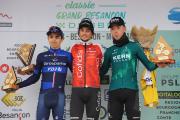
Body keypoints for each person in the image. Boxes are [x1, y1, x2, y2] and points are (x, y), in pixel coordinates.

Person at [100, 17, 166, 120]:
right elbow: (101, 73)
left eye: (118, 28)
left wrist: (160, 62)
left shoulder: (135, 46)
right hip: (114, 93)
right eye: (112, 29)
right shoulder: (109, 51)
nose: (115, 31)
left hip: (132, 92)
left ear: (124, 28)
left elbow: (149, 65)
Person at [16, 26, 72, 120]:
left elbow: (77, 73)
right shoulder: (42, 56)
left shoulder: (67, 56)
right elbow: (35, 77)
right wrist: (18, 85)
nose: (54, 39)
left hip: (59, 96)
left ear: (62, 39)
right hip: (44, 96)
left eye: (57, 37)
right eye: (51, 37)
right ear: (48, 39)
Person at [70, 18, 103, 120]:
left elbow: (102, 67)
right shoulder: (73, 47)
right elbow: (71, 66)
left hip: (93, 91)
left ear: (92, 34)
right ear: (79, 32)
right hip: (77, 90)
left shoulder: (98, 47)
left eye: (88, 31)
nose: (84, 33)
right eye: (82, 30)